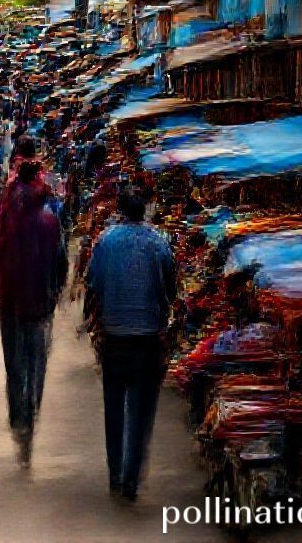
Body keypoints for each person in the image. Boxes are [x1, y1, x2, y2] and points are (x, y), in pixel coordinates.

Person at [85, 186, 176, 502]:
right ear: (145, 209)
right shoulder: (159, 243)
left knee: (114, 408)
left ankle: (115, 474)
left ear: (121, 210)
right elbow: (170, 290)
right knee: (140, 412)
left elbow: (93, 283)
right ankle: (131, 480)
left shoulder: (106, 241)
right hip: (148, 339)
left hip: (114, 339)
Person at [0, 160, 67, 467]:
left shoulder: (6, 212)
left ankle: (18, 418)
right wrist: (56, 291)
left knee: (14, 364)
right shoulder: (50, 221)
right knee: (36, 365)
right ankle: (30, 416)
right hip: (40, 305)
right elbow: (60, 263)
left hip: (10, 301)